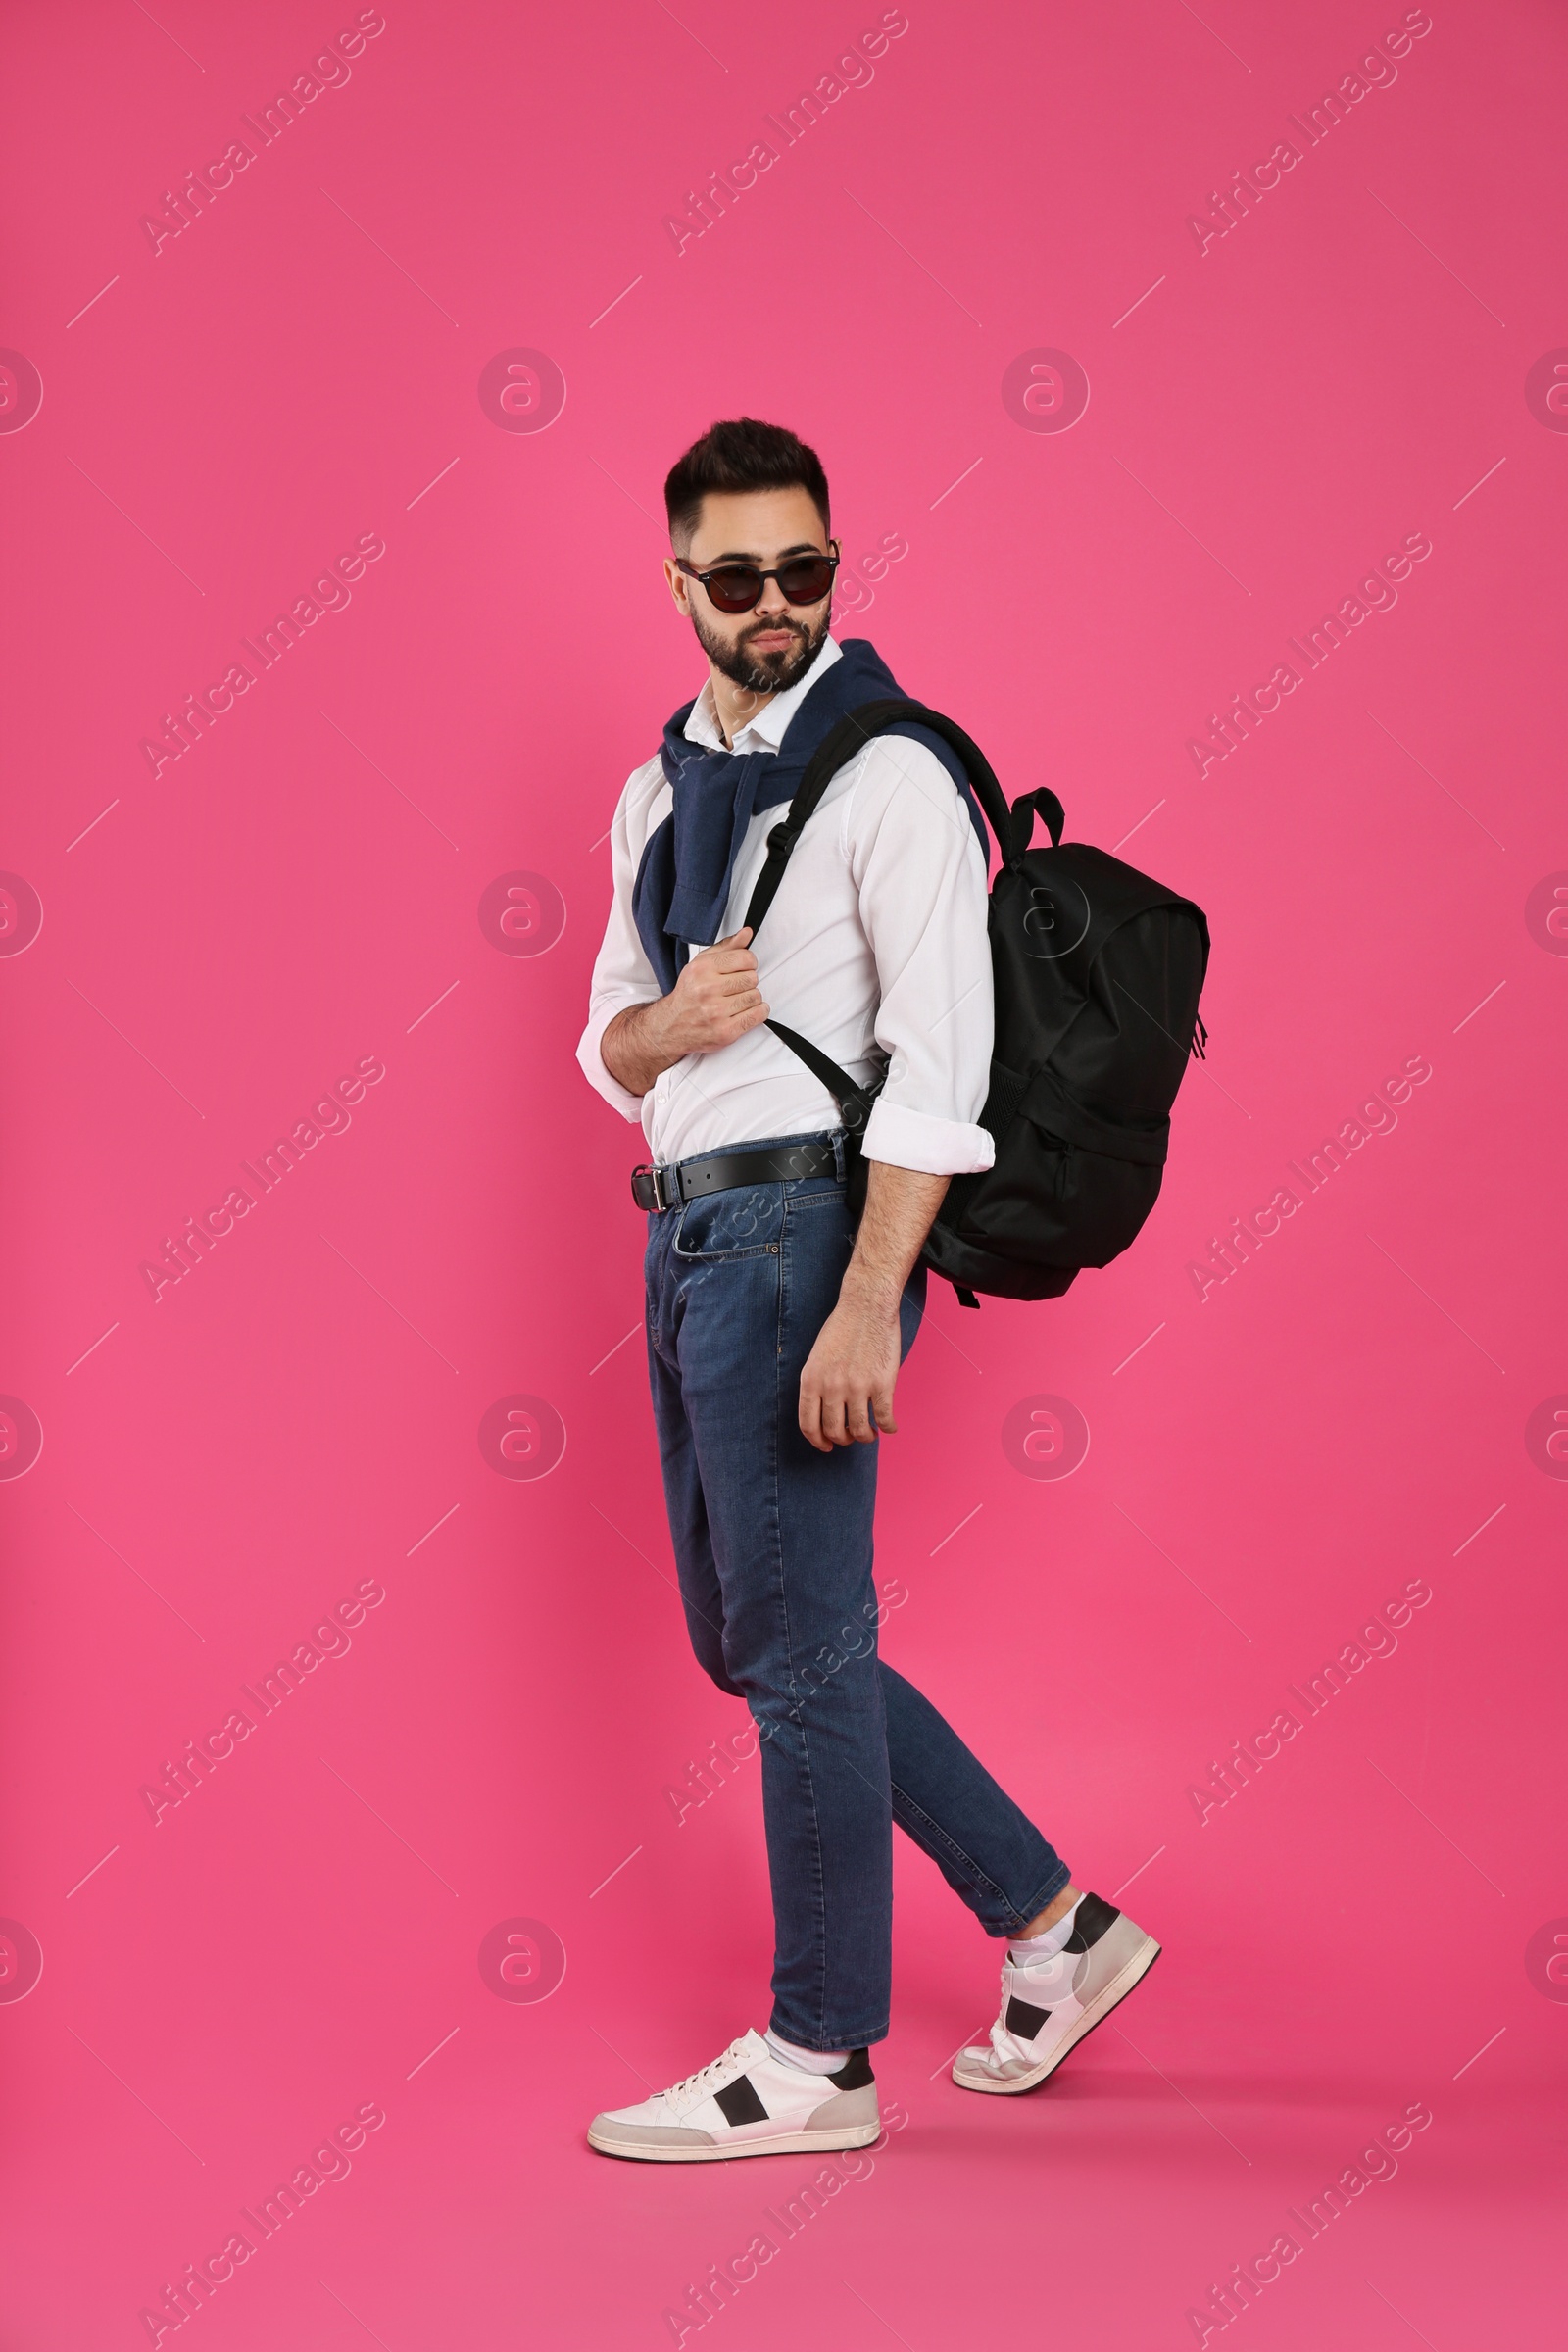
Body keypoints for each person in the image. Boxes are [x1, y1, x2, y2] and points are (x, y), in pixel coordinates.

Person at [575, 417, 1158, 2162]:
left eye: (806, 568)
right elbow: (611, 1039)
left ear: (837, 562)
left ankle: (820, 2055)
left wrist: (860, 1304)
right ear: (676, 583)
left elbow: (943, 1067)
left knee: (801, 1646)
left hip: (802, 1238)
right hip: (682, 1231)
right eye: (738, 575)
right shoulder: (658, 788)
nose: (777, 604)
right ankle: (1059, 1929)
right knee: (759, 1640)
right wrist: (666, 1029)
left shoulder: (888, 772)